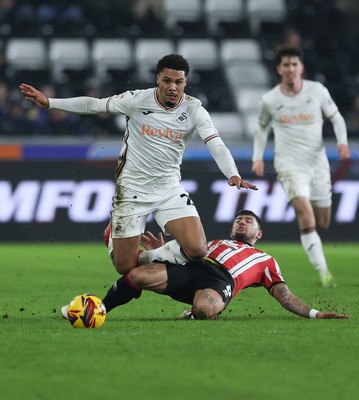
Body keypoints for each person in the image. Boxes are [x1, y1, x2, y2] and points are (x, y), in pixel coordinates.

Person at [19, 54, 257, 275]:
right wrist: (50, 102)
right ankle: (113, 235)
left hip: (168, 188)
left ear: (185, 83)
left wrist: (232, 173)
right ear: (158, 79)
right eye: (167, 80)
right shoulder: (136, 100)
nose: (173, 87)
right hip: (132, 189)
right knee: (124, 267)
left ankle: (152, 255)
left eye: (179, 82)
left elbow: (215, 144)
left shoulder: (194, 109)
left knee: (197, 250)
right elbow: (94, 105)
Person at [62, 210, 348, 321]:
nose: (242, 221)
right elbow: (183, 253)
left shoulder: (266, 261)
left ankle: (193, 313)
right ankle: (98, 310)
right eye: (239, 219)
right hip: (193, 267)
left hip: (219, 281)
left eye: (249, 221)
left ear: (258, 234)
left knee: (203, 310)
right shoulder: (210, 243)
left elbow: (284, 296)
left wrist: (314, 313)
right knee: (136, 275)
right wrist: (158, 251)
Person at [251, 46, 350, 288]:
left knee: (322, 222)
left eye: (295, 64)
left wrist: (342, 143)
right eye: (286, 65)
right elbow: (262, 128)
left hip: (317, 164)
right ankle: (324, 271)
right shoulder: (271, 99)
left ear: (301, 67)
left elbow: (336, 117)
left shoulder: (317, 91)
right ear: (279, 69)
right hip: (289, 164)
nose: (291, 69)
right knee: (305, 216)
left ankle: (317, 250)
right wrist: (257, 157)